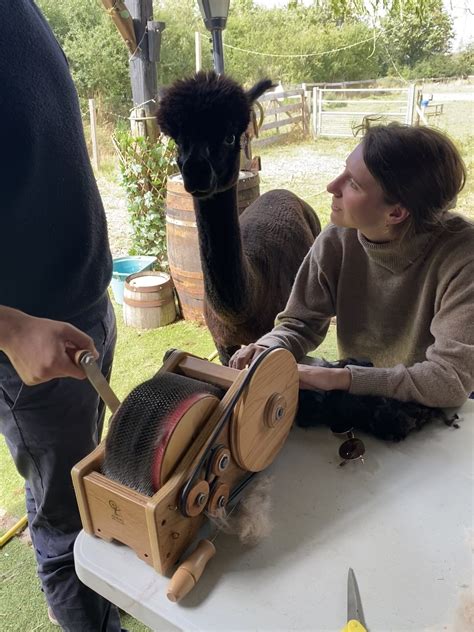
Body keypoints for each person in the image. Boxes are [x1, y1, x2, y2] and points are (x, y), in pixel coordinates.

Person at [0, 2, 122, 630]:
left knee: (87, 473)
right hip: (33, 350)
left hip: (86, 307)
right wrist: (12, 329)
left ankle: (110, 597)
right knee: (63, 525)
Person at [230, 123, 474, 410]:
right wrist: (269, 347)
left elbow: (449, 380)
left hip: (441, 416)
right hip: (364, 405)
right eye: (344, 171)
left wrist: (338, 378)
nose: (332, 186)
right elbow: (299, 323)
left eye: (353, 184)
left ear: (396, 212)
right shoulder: (337, 240)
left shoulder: (463, 256)